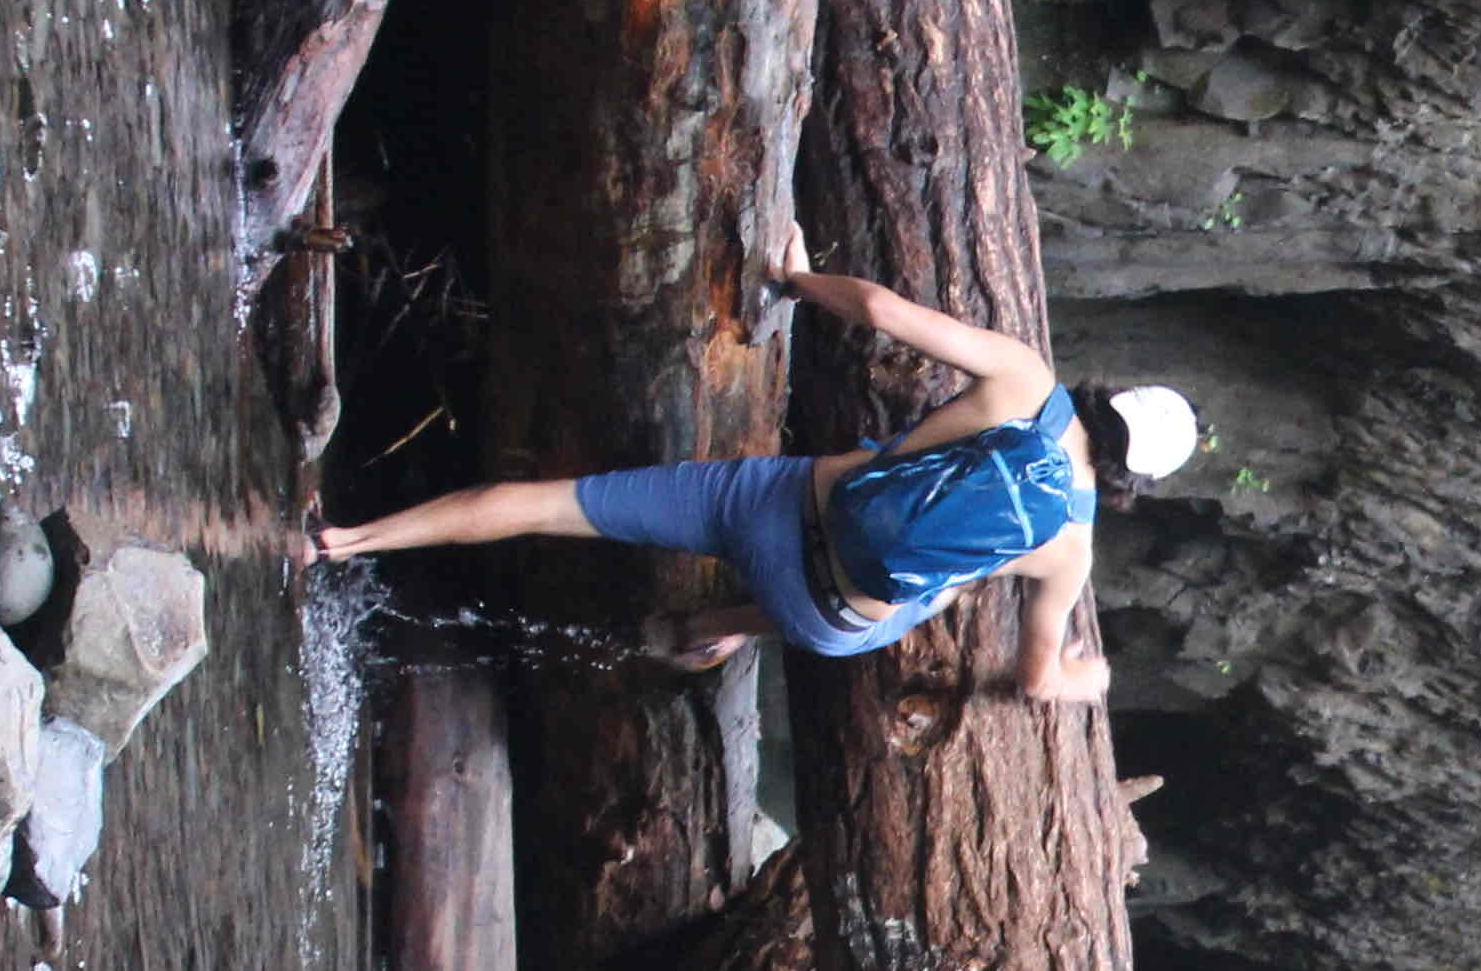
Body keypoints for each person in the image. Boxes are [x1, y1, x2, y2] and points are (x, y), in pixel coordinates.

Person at [309, 271, 1198, 697]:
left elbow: (884, 312)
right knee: (928, 594)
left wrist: (791, 277)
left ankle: (347, 541)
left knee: (552, 504)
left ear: (1110, 394)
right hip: (823, 617)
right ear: (1131, 481)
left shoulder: (1024, 379)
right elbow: (1037, 681)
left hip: (768, 505)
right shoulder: (1072, 549)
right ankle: (713, 627)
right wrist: (1092, 680)